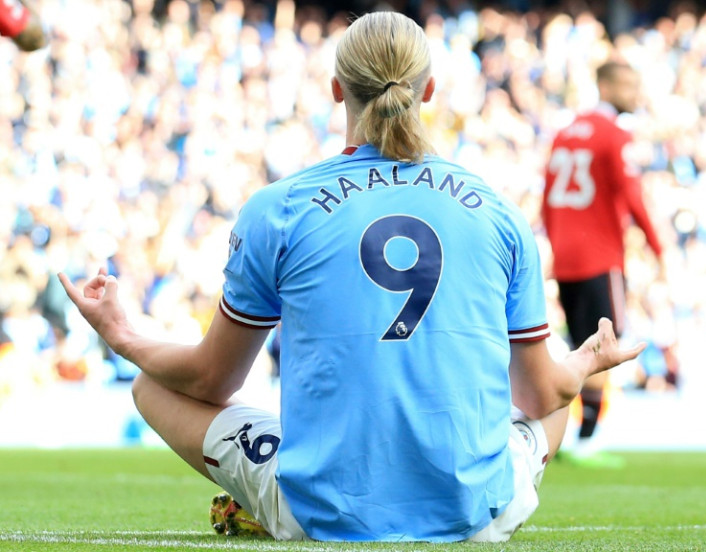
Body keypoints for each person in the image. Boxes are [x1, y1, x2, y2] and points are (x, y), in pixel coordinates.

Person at [59, 12, 644, 543]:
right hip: (478, 514)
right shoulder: (498, 211)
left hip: (318, 513)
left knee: (150, 383)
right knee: (555, 388)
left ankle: (277, 499)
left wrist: (124, 337)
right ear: (429, 92)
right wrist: (587, 362)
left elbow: (211, 380)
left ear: (337, 89)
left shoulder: (277, 208)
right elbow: (539, 395)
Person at [542, 61, 663, 466]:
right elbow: (632, 194)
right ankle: (588, 437)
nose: (634, 93)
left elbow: (547, 198)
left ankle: (571, 433)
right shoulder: (614, 134)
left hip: (566, 256)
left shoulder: (563, 134)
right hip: (600, 254)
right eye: (628, 85)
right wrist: (659, 249)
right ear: (605, 85)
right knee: (603, 345)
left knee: (580, 345)